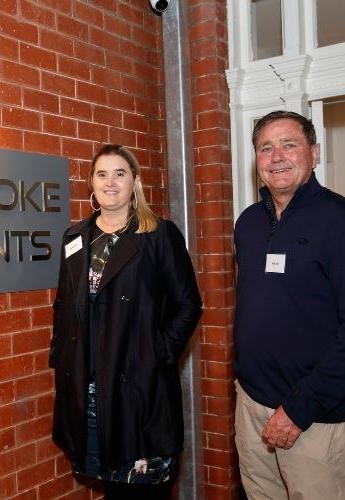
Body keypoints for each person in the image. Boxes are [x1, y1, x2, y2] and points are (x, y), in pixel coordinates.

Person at [234, 110, 345, 499]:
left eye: (289, 144)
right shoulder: (248, 223)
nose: (277, 156)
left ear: (314, 153)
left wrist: (300, 408)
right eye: (266, 148)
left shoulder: (344, 223)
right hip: (252, 405)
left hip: (312, 417)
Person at [50, 144, 203, 499]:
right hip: (88, 391)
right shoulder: (74, 238)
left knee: (142, 493)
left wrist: (157, 353)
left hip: (139, 390)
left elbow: (188, 304)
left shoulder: (159, 235)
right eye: (102, 174)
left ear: (135, 181)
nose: (110, 182)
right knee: (111, 489)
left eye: (120, 173)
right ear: (91, 183)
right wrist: (60, 352)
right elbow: (63, 305)